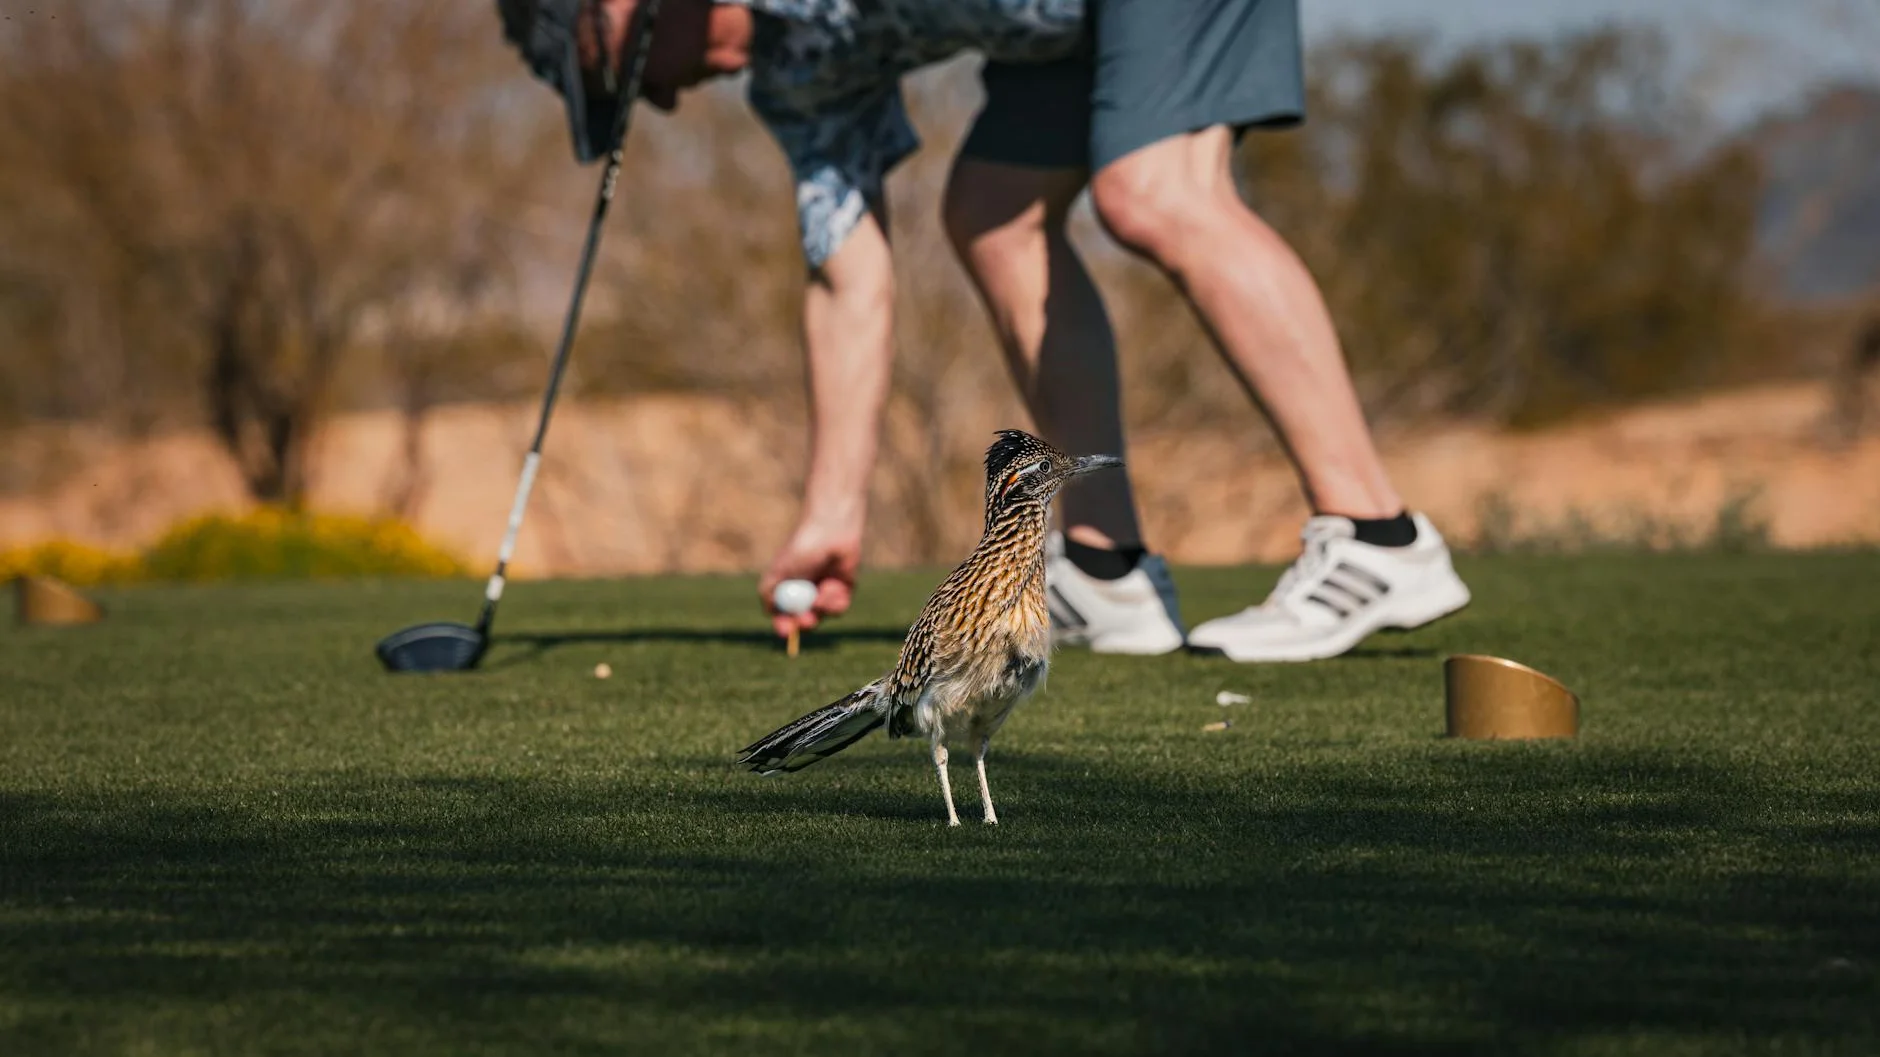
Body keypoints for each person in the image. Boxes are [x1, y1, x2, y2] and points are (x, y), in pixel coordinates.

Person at [497, 0, 1471, 663]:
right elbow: (846, 270)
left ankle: (1376, 538)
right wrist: (833, 515)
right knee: (993, 208)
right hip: (1062, 20)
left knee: (1153, 193)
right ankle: (1105, 567)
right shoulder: (794, 71)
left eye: (609, 66)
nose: (650, 97)